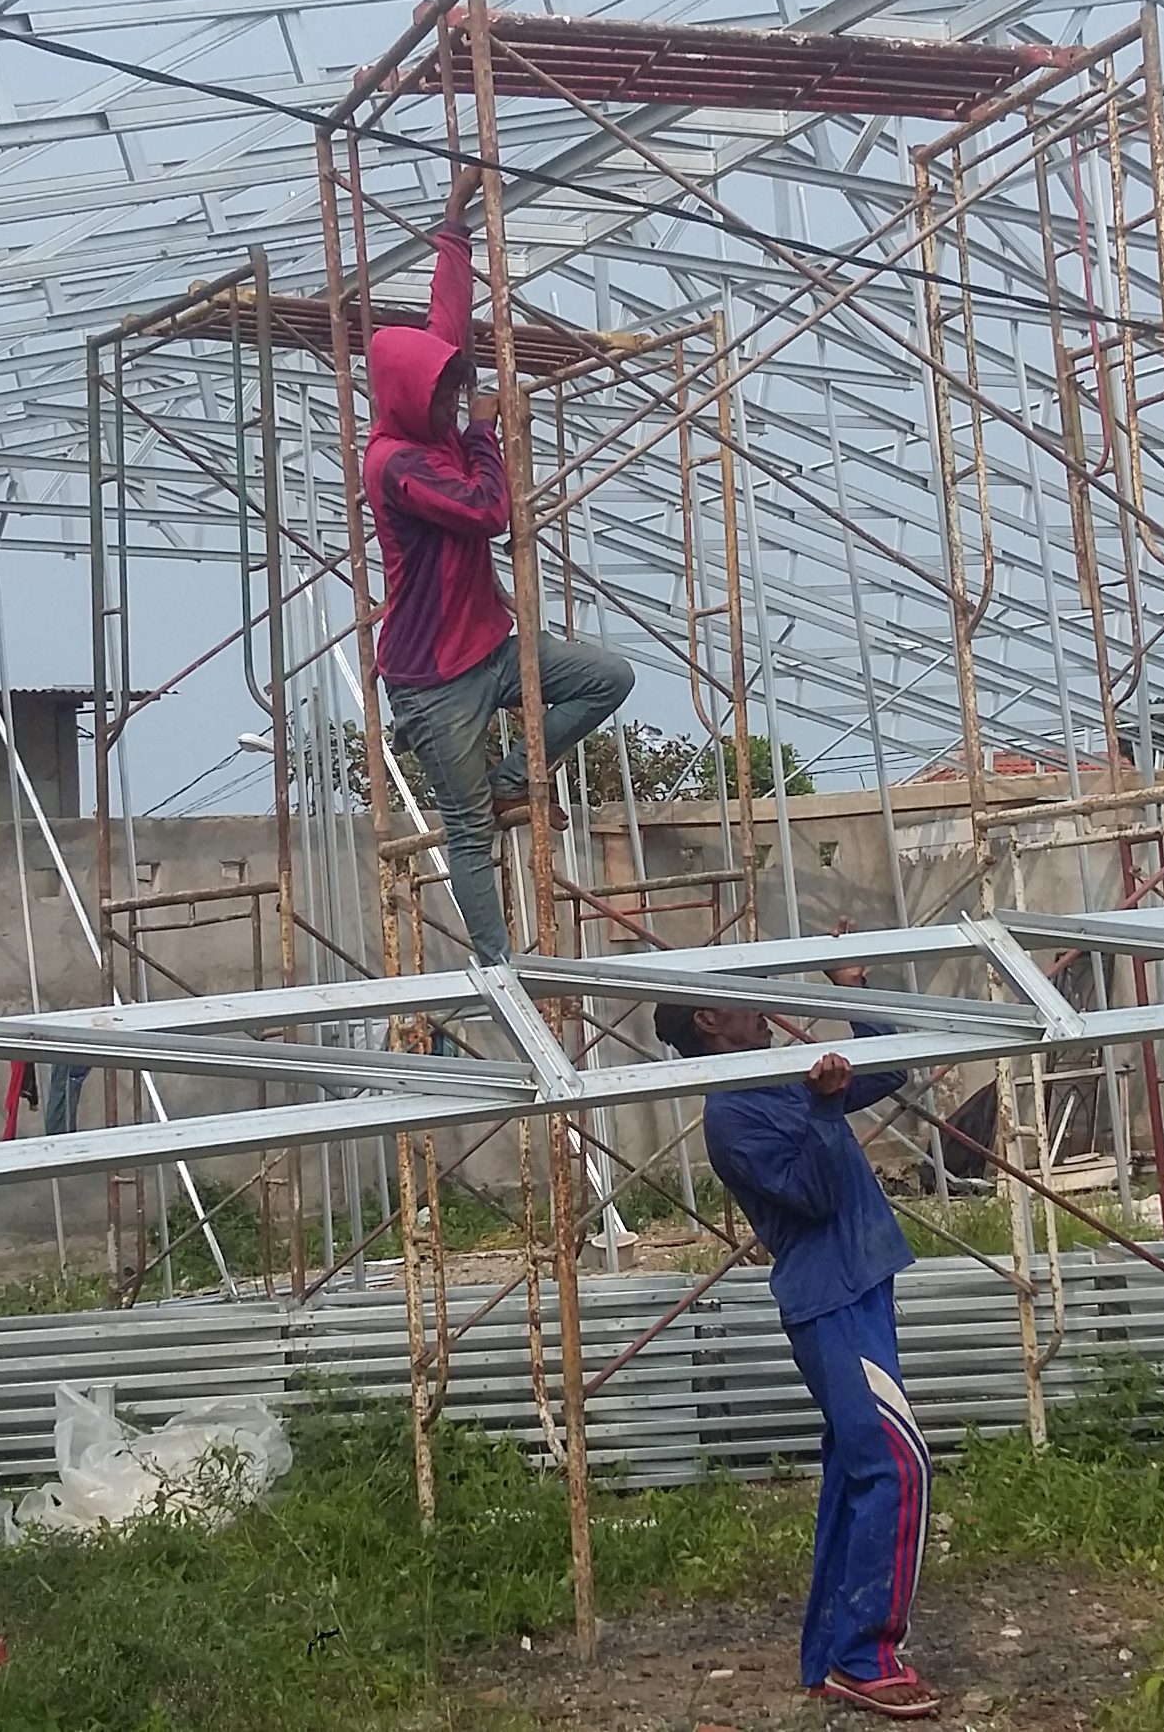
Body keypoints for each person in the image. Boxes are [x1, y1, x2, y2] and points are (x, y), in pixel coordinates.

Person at [365, 164, 632, 964]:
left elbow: (448, 320)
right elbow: (487, 511)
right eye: (440, 395)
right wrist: (486, 430)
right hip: (432, 680)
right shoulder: (396, 463)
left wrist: (455, 225)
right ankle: (499, 968)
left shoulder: (431, 422)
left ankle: (517, 777)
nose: (451, 400)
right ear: (407, 397)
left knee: (606, 678)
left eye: (454, 392)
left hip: (486, 646)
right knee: (468, 830)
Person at [656, 962, 937, 1720]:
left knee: (857, 1470)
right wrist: (822, 1108)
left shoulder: (781, 1075)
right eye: (738, 1000)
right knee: (898, 1465)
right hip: (830, 1301)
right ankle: (865, 1658)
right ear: (708, 1023)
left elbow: (890, 1066)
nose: (759, 1007)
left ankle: (832, 1657)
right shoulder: (731, 1116)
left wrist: (852, 988)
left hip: (861, 1283)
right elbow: (811, 1198)